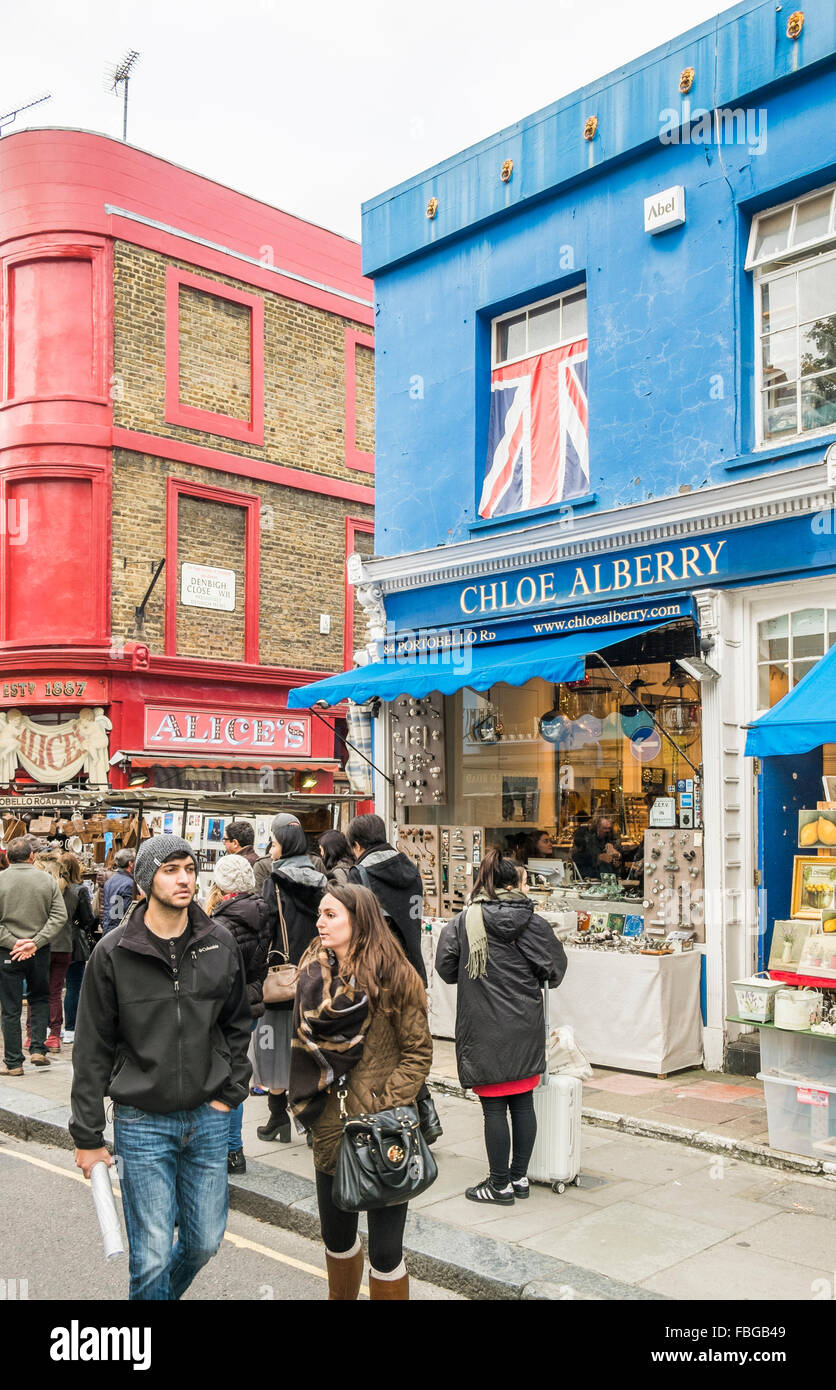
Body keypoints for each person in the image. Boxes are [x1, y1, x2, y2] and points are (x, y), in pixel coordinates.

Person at [69, 835, 253, 1301]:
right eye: (171, 869)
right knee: (149, 1255)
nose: (185, 878)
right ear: (147, 880)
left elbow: (236, 1023)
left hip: (208, 1119)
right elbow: (91, 1047)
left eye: (189, 868)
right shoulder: (112, 953)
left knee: (204, 1241)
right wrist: (87, 1136)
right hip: (142, 1121)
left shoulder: (219, 941)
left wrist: (228, 1092)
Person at [289, 883, 432, 1301]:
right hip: (331, 1127)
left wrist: (381, 1103)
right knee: (336, 1239)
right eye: (320, 914)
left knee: (386, 1253)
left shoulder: (396, 974)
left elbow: (418, 1053)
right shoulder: (312, 971)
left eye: (331, 915)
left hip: (383, 1130)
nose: (320, 922)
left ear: (359, 919)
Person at [435, 847, 567, 1206]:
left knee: (494, 1109)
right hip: (524, 1025)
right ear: (517, 883)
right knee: (523, 1103)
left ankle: (498, 1185)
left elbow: (446, 970)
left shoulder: (464, 921)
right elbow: (555, 970)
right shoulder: (534, 923)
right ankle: (518, 1178)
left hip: (483, 1027)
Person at [253, 816, 326, 1142]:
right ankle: (312, 1123)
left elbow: (266, 926)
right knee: (311, 1045)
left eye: (274, 841)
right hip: (317, 972)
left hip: (283, 975)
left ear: (286, 844)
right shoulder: (322, 879)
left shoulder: (275, 880)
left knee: (275, 1047)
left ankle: (278, 1117)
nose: (271, 848)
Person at [205, 853, 270, 1174]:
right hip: (253, 1001)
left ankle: (228, 1149)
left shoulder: (221, 922)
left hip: (225, 1008)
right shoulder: (262, 910)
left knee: (223, 1078)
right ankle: (234, 1150)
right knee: (237, 1074)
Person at [0, 836, 68, 1074]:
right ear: (32, 856)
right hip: (39, 952)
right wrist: (35, 942)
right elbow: (59, 917)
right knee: (39, 998)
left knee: (10, 1007)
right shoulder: (47, 880)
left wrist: (13, 942)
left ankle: (14, 1062)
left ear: (8, 857)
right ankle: (38, 1049)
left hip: (8, 953)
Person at [346, 813, 426, 983]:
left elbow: (354, 926)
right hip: (412, 971)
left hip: (377, 972)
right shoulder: (412, 870)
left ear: (357, 845)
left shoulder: (359, 873)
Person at [59, 853, 99, 1044]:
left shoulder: (53, 887)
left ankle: (54, 1029)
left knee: (54, 988)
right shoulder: (79, 890)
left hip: (52, 941)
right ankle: (70, 1028)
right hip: (74, 942)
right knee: (74, 986)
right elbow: (88, 919)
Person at [571, 809, 622, 880]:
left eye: (609, 828)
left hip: (608, 879)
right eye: (604, 828)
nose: (607, 831)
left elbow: (620, 857)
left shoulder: (612, 835)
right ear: (597, 825)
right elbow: (576, 858)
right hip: (587, 878)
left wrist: (617, 858)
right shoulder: (582, 833)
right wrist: (598, 858)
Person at [101, 848, 136, 932]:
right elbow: (127, 913)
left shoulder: (110, 881)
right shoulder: (129, 884)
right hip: (119, 931)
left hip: (107, 928)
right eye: (135, 860)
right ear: (130, 863)